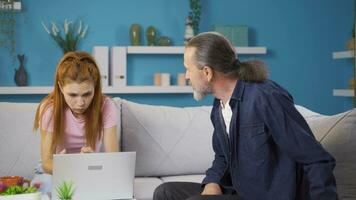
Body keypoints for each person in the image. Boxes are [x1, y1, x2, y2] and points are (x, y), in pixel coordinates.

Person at [153, 32, 338, 200]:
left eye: (188, 69)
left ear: (207, 72)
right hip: (240, 191)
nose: (186, 76)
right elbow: (223, 157)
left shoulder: (265, 98)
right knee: (165, 192)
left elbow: (316, 158)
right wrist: (212, 182)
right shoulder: (219, 105)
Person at [31, 51, 119, 195]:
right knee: (42, 189)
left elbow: (113, 161)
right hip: (55, 169)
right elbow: (47, 163)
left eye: (87, 94)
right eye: (72, 95)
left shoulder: (107, 106)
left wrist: (93, 161)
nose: (80, 103)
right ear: (60, 87)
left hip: (91, 169)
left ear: (95, 87)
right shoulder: (49, 109)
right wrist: (66, 165)